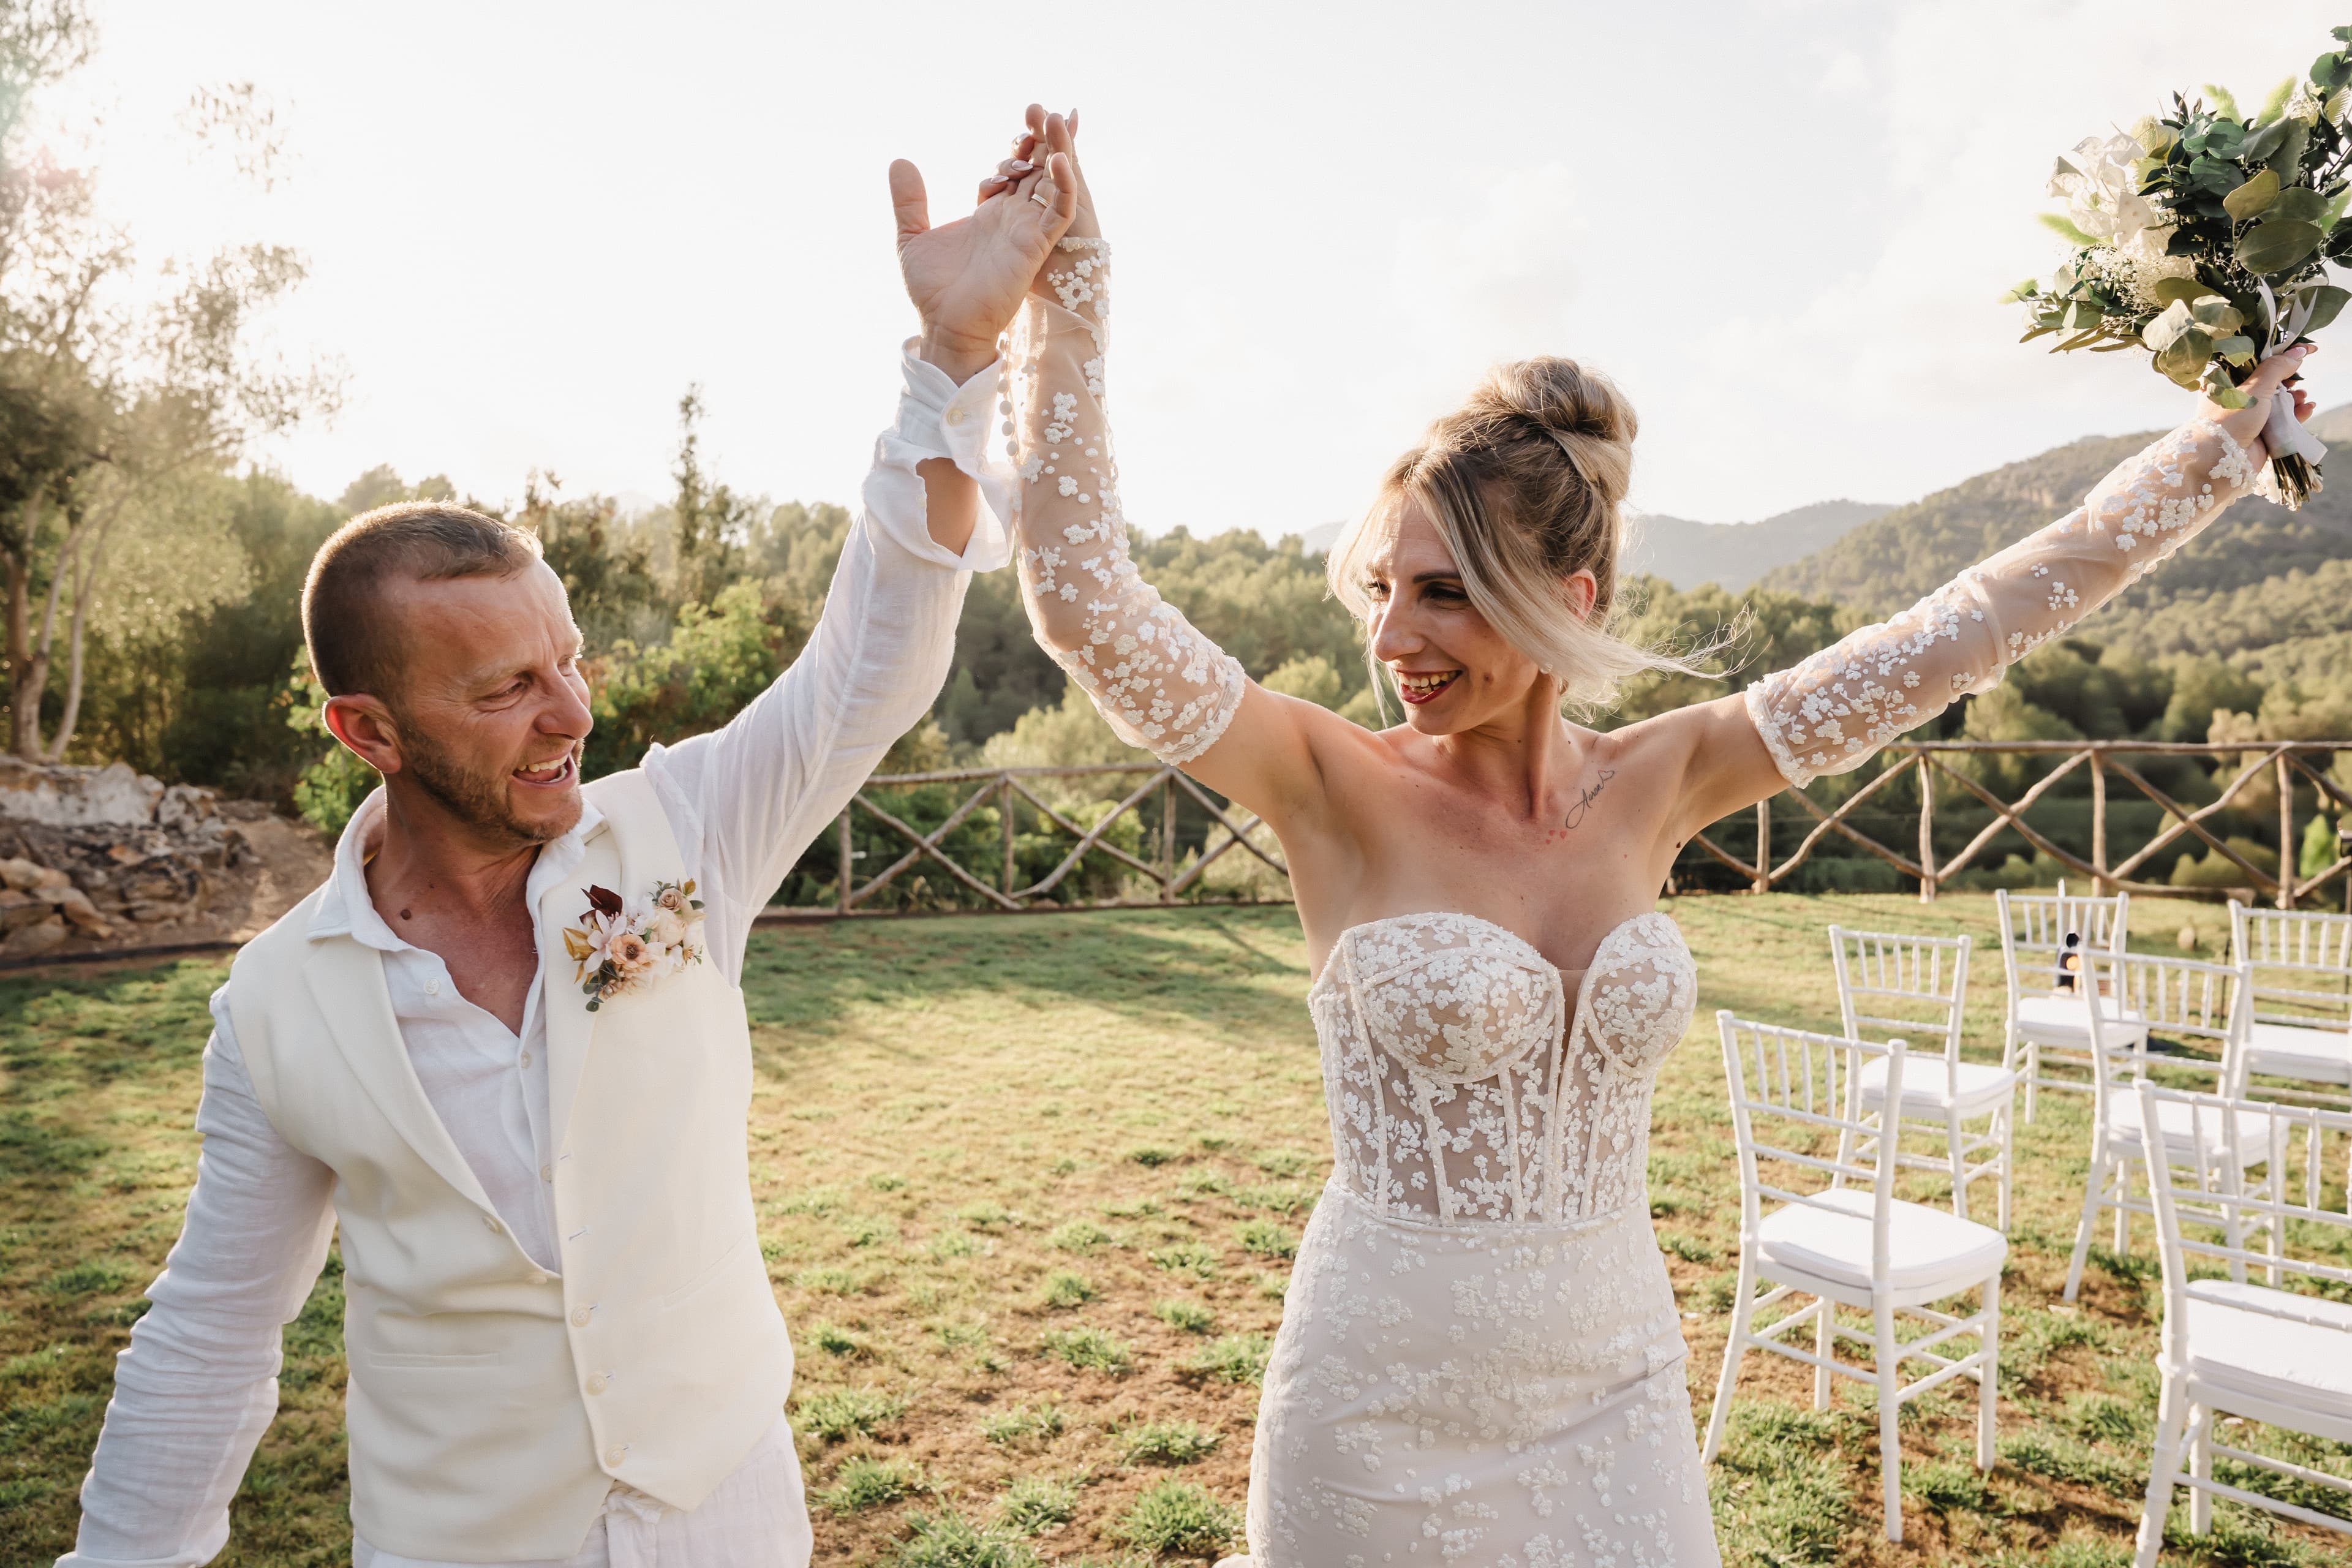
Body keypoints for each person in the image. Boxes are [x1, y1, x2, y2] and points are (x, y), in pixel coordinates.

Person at [983, 106, 2315, 1567]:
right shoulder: (1327, 779)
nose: (1392, 638)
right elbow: (1081, 600)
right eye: (1384, 587)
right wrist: (1070, 286)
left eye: (1445, 594)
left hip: (1617, 1379)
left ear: (1575, 594)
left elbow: (1960, 632)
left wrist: (2207, 457)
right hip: (1376, 1402)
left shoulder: (1671, 774)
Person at [55, 148, 1082, 1568]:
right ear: (370, 729)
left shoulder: (683, 832)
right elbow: (214, 1333)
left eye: (569, 656)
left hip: (728, 1518)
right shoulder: (275, 1010)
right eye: (501, 690)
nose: (572, 713)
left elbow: (873, 669)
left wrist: (952, 350)